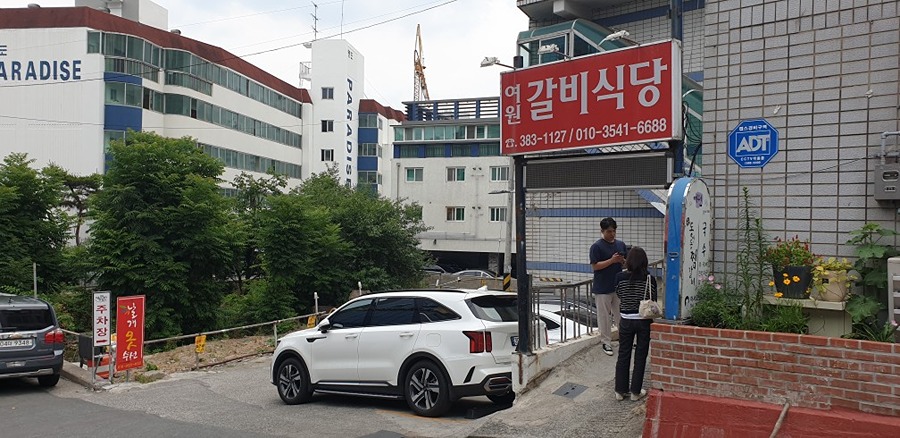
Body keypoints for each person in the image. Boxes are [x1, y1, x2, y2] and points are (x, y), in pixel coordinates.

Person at [613, 246, 657, 402]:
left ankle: (620, 390)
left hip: (625, 320)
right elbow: (654, 300)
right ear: (644, 262)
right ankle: (635, 392)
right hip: (643, 321)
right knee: (640, 355)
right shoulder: (649, 279)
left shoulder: (619, 277)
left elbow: (619, 294)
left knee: (623, 354)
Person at [589, 217, 627, 356]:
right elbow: (595, 266)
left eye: (614, 231)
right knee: (604, 316)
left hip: (617, 286)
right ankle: (606, 342)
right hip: (602, 287)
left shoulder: (620, 245)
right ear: (602, 231)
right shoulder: (597, 247)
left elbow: (625, 264)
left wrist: (622, 261)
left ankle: (625, 339)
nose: (612, 234)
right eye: (609, 231)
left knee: (621, 315)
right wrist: (611, 261)